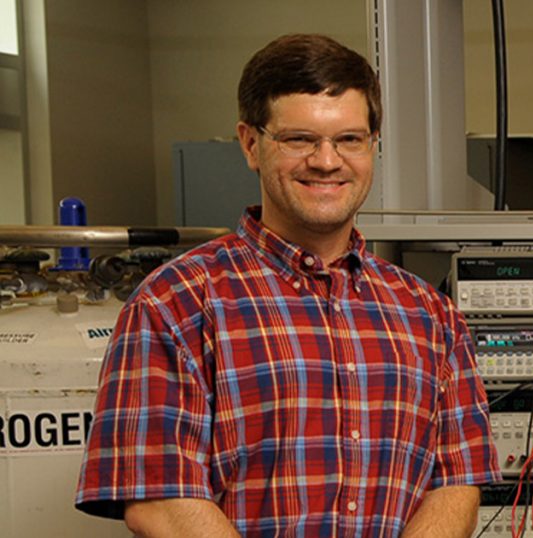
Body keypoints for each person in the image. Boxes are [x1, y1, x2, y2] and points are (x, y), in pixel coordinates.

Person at [75, 34, 500, 537]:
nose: (326, 161)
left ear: (372, 146)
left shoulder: (430, 314)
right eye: (299, 139)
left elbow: (457, 484)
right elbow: (160, 500)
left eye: (349, 139)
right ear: (251, 144)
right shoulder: (176, 303)